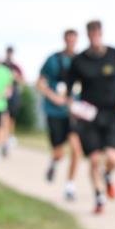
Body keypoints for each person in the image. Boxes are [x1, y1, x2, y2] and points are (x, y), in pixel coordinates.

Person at [66, 20, 115, 214]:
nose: (95, 38)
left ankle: (108, 175)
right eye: (92, 35)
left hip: (111, 114)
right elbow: (69, 89)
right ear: (88, 35)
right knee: (94, 159)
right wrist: (71, 106)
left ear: (102, 33)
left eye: (98, 34)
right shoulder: (79, 61)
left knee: (113, 158)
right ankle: (99, 197)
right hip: (89, 116)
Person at [37, 28, 83, 201]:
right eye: (69, 39)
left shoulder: (81, 60)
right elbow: (40, 83)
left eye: (74, 40)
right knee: (59, 152)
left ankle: (70, 186)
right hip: (55, 111)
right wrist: (54, 97)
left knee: (76, 149)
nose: (71, 43)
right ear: (65, 40)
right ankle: (54, 163)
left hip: (73, 113)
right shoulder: (53, 60)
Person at [3, 46, 25, 153]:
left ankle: (10, 135)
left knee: (12, 116)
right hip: (2, 93)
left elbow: (22, 81)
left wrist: (16, 77)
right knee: (4, 115)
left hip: (13, 94)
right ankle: (4, 135)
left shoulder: (16, 67)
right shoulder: (1, 65)